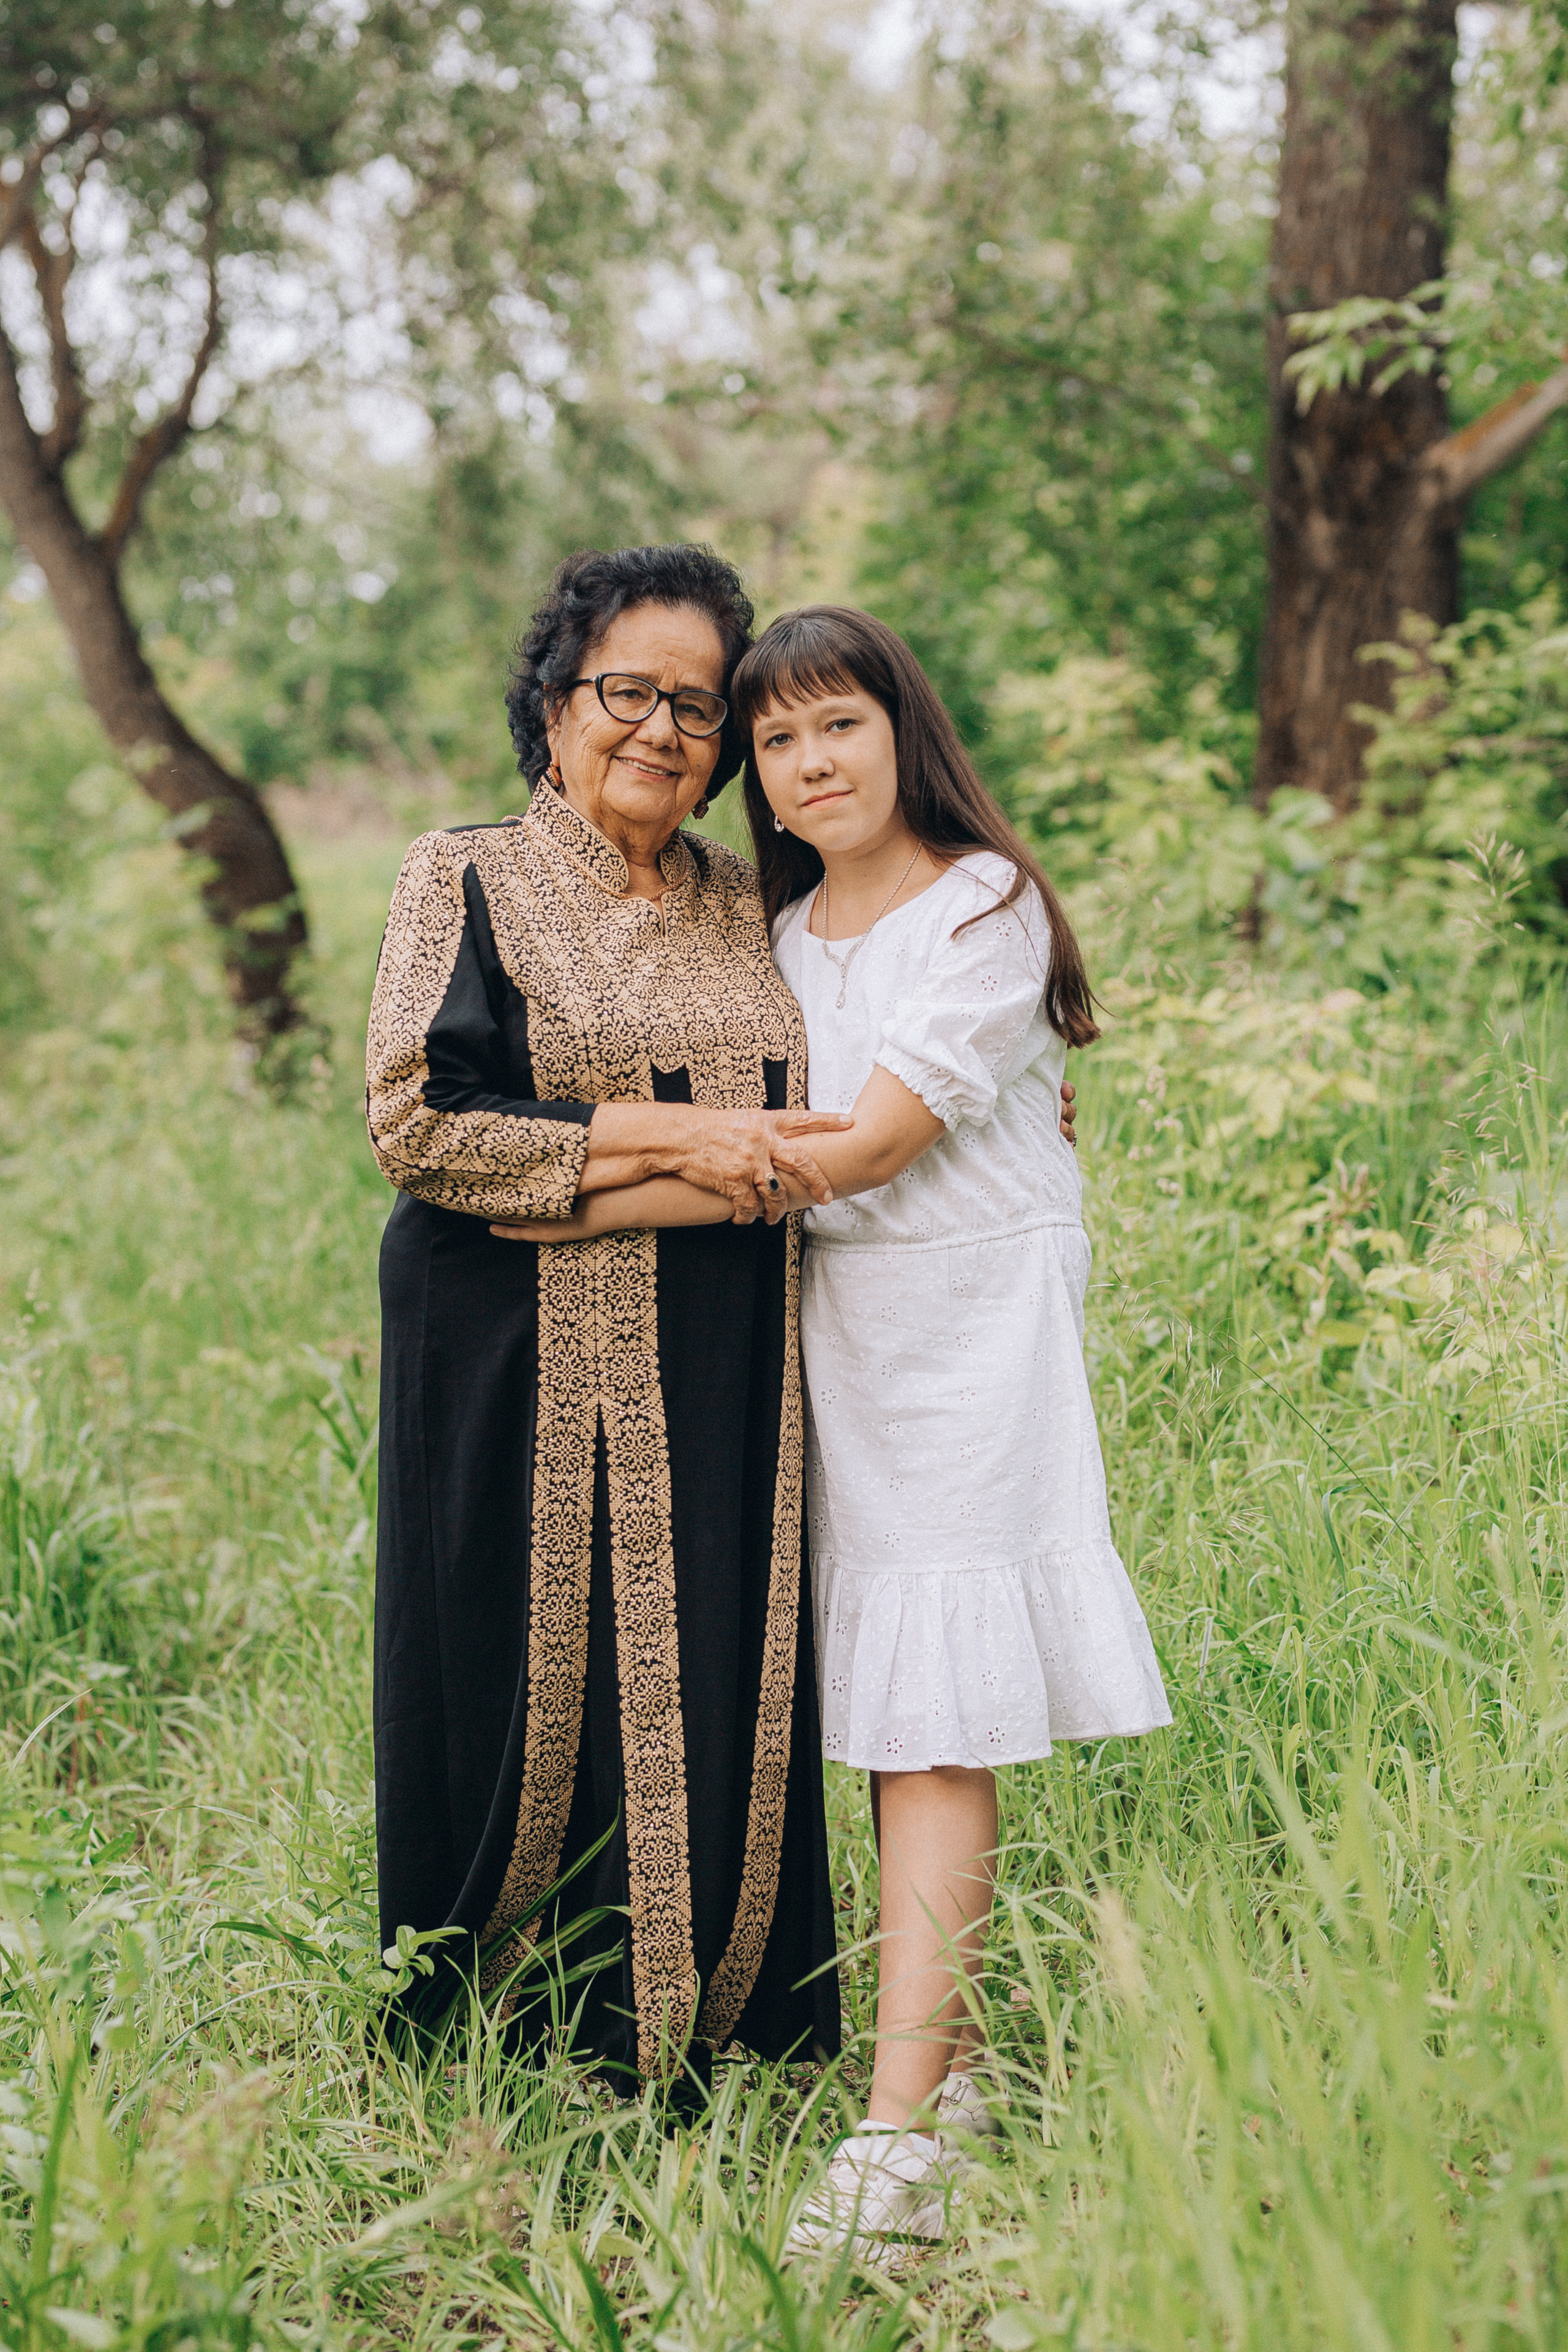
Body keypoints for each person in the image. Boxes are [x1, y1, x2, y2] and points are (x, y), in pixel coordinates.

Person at [516, 603, 1168, 2255]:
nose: (810, 763)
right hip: (832, 1334)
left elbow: (870, 1144)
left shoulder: (988, 909)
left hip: (968, 1330)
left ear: (905, 731)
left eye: (840, 726)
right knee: (883, 1704)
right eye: (780, 738)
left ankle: (894, 2141)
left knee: (936, 1709)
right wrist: (635, 1153)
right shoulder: (784, 932)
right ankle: (932, 2071)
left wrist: (567, 1183)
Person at [365, 545, 854, 2094]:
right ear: (557, 702)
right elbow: (425, 1125)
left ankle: (725, 2013)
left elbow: (839, 1085)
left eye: (697, 707)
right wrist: (673, 1140)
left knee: (718, 1646)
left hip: (722, 1341)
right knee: (528, 1660)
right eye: (625, 691)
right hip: (509, 1339)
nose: (659, 729)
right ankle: (523, 2033)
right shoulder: (468, 874)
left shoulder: (750, 903)